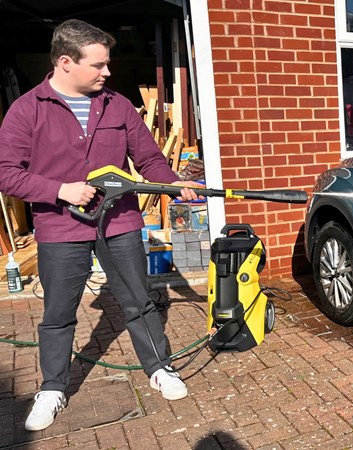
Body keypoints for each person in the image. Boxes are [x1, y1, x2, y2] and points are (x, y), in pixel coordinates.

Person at [0, 19, 203, 431]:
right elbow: (6, 173)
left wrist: (171, 182)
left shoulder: (118, 105)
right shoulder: (26, 110)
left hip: (120, 223)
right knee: (58, 313)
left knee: (138, 301)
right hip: (61, 228)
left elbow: (148, 159)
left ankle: (159, 368)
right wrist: (60, 190)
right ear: (65, 62)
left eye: (106, 64)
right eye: (98, 65)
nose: (107, 72)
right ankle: (53, 387)